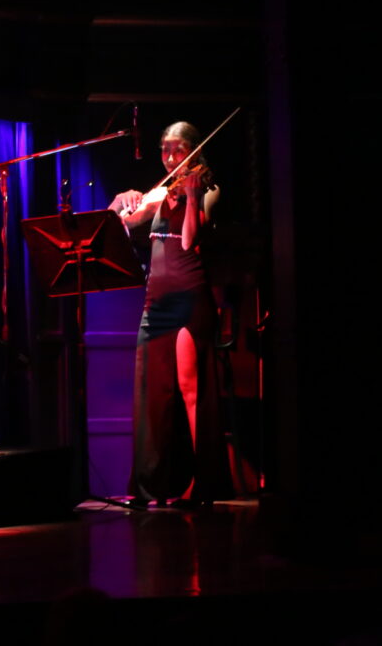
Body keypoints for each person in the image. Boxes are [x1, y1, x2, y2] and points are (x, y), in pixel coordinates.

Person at [108, 121, 231, 506]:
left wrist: (192, 199)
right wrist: (119, 202)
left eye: (178, 149)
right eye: (164, 149)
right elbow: (121, 223)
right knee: (152, 391)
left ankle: (204, 484)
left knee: (190, 391)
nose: (170, 157)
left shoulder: (209, 189)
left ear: (194, 149)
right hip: (157, 300)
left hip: (187, 296)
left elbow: (191, 240)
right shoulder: (159, 191)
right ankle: (149, 487)